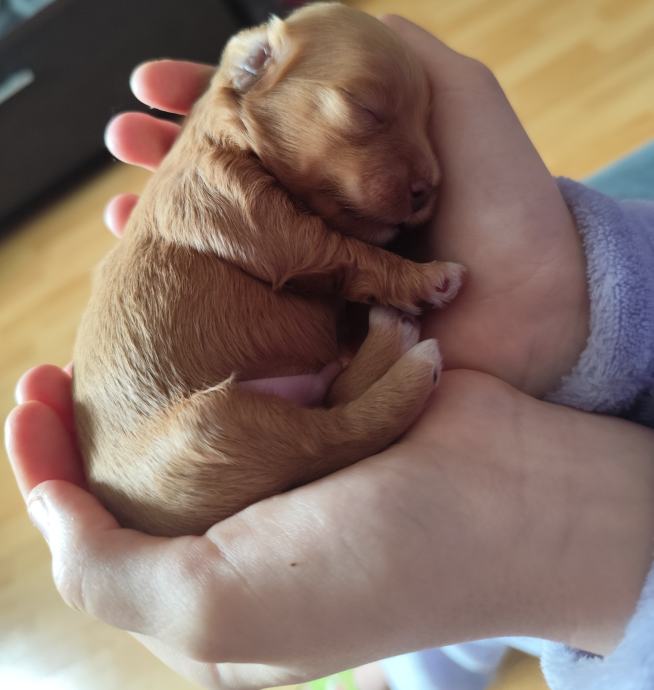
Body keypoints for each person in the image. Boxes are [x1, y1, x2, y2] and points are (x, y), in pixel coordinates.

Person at [5, 15, 654, 690]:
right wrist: (398, 277)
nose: (426, 171)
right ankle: (359, 425)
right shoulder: (213, 176)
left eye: (423, 129)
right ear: (255, 73)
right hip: (183, 463)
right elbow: (287, 249)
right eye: (368, 115)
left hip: (535, 508)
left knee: (459, 589)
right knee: (217, 433)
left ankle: (402, 659)